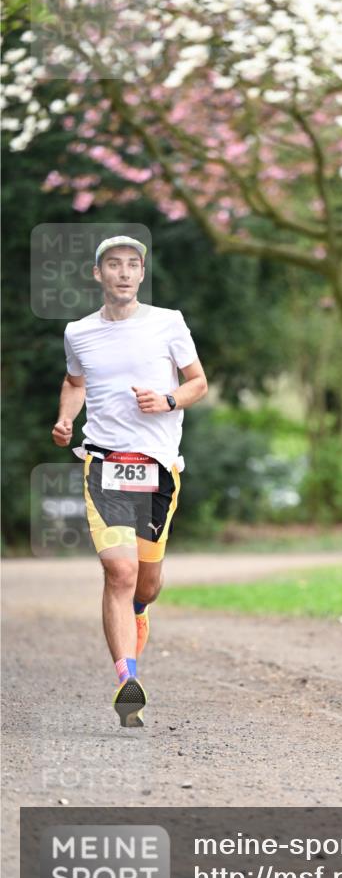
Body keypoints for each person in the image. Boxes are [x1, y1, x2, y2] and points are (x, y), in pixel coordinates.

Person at [51, 235, 208, 727]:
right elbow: (75, 383)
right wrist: (65, 420)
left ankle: (139, 611)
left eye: (132, 265)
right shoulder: (79, 332)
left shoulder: (168, 323)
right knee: (118, 573)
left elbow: (198, 382)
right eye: (113, 265)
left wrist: (167, 401)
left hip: (158, 464)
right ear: (98, 275)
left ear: (141, 274)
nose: (123, 272)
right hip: (104, 462)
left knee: (146, 582)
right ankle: (127, 678)